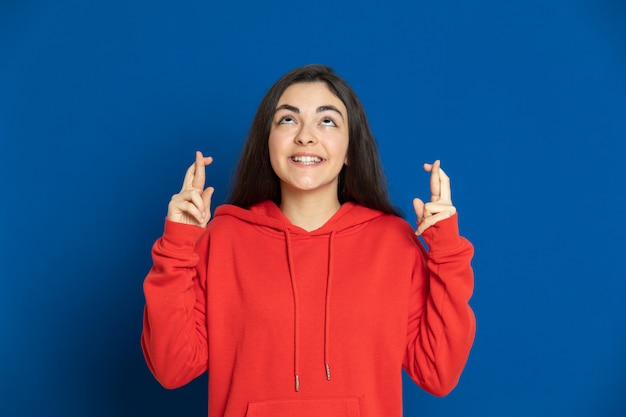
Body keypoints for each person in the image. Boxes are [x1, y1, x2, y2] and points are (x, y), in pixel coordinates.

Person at [141, 64, 475, 417]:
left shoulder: (394, 243)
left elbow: (438, 374)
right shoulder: (222, 240)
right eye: (287, 120)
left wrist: (446, 251)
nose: (306, 136)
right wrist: (178, 245)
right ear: (267, 142)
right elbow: (172, 369)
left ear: (349, 150)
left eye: (327, 121)